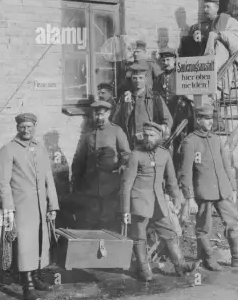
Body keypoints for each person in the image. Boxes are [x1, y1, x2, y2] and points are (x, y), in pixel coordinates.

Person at [178, 106, 238, 271]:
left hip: (223, 189)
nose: (209, 122)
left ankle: (237, 256)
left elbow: (226, 165)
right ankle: (207, 258)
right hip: (204, 192)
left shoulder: (216, 139)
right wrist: (189, 197)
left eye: (211, 119)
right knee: (204, 228)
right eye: (205, 119)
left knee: (233, 222)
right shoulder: (190, 142)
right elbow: (185, 173)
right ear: (198, 120)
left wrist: (233, 188)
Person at [120, 121, 199, 281]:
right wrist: (125, 210)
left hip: (158, 202)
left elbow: (171, 180)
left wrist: (177, 197)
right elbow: (126, 184)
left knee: (169, 233)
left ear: (160, 137)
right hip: (139, 202)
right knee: (139, 236)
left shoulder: (164, 154)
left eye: (152, 135)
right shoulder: (136, 155)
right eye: (146, 135)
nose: (148, 138)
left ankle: (180, 265)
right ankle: (143, 270)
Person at [0, 113, 60, 300]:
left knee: (39, 241)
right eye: (23, 127)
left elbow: (49, 178)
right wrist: (8, 208)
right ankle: (27, 286)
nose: (26, 130)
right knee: (24, 245)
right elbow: (1, 182)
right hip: (21, 206)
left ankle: (36, 276)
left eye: (30, 127)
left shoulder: (40, 148)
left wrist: (52, 204)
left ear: (34, 127)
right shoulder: (8, 150)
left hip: (40, 205)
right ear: (17, 128)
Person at [71, 101, 130, 232]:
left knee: (108, 220)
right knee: (90, 219)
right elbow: (79, 158)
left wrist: (122, 166)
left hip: (110, 185)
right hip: (91, 185)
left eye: (102, 114)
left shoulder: (116, 131)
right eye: (97, 115)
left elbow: (126, 154)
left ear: (108, 114)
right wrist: (75, 178)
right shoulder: (88, 134)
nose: (99, 118)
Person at [187, 0, 238, 99]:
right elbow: (211, 42)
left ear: (217, 8)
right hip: (218, 61)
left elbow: (236, 38)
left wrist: (215, 36)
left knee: (219, 45)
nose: (205, 10)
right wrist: (202, 38)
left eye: (208, 7)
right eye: (204, 7)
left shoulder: (224, 19)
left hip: (229, 59)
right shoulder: (210, 24)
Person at [112, 63, 173, 149]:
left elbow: (168, 119)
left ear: (146, 79)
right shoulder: (125, 98)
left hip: (150, 143)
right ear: (131, 79)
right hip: (130, 143)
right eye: (135, 78)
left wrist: (161, 133)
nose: (137, 81)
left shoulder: (154, 97)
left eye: (141, 78)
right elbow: (116, 121)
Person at [153, 46, 194, 164]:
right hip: (166, 117)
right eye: (163, 60)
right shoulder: (159, 78)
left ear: (175, 60)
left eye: (168, 60)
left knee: (181, 142)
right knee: (167, 144)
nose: (165, 63)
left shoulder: (182, 74)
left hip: (181, 115)